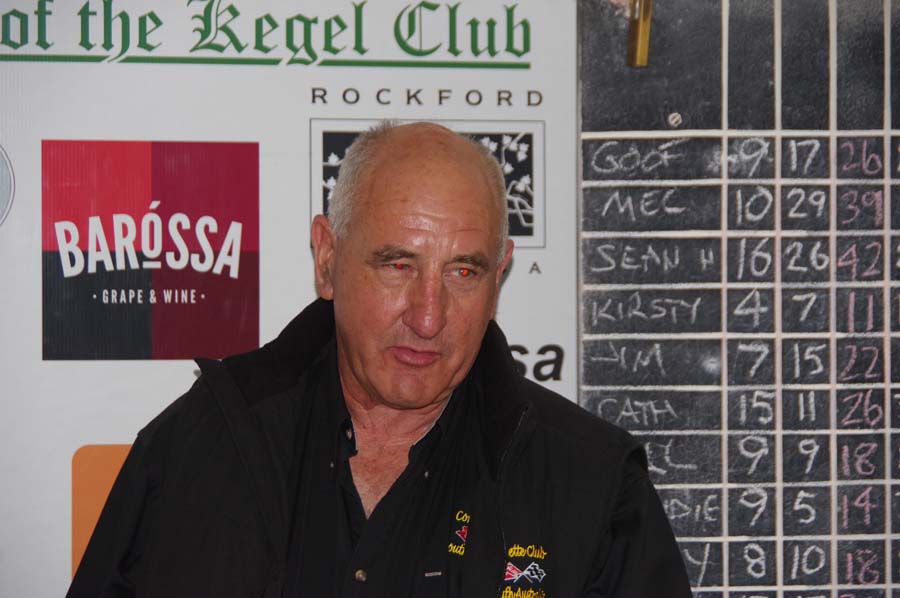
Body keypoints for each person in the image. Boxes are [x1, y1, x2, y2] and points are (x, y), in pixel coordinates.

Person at [68, 121, 691, 597]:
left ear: (499, 273)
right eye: (397, 265)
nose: (428, 317)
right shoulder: (201, 443)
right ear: (327, 258)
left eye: (463, 271)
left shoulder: (593, 483)